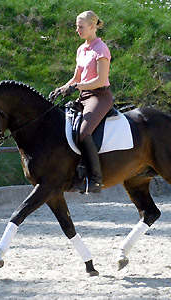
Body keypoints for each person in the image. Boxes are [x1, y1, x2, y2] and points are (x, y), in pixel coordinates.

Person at [49, 10, 113, 193]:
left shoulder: (101, 49)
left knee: (84, 132)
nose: (77, 30)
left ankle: (95, 181)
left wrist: (76, 87)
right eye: (77, 26)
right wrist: (62, 88)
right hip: (83, 97)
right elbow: (76, 77)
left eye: (81, 26)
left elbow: (101, 80)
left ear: (93, 27)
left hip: (99, 97)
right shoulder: (81, 49)